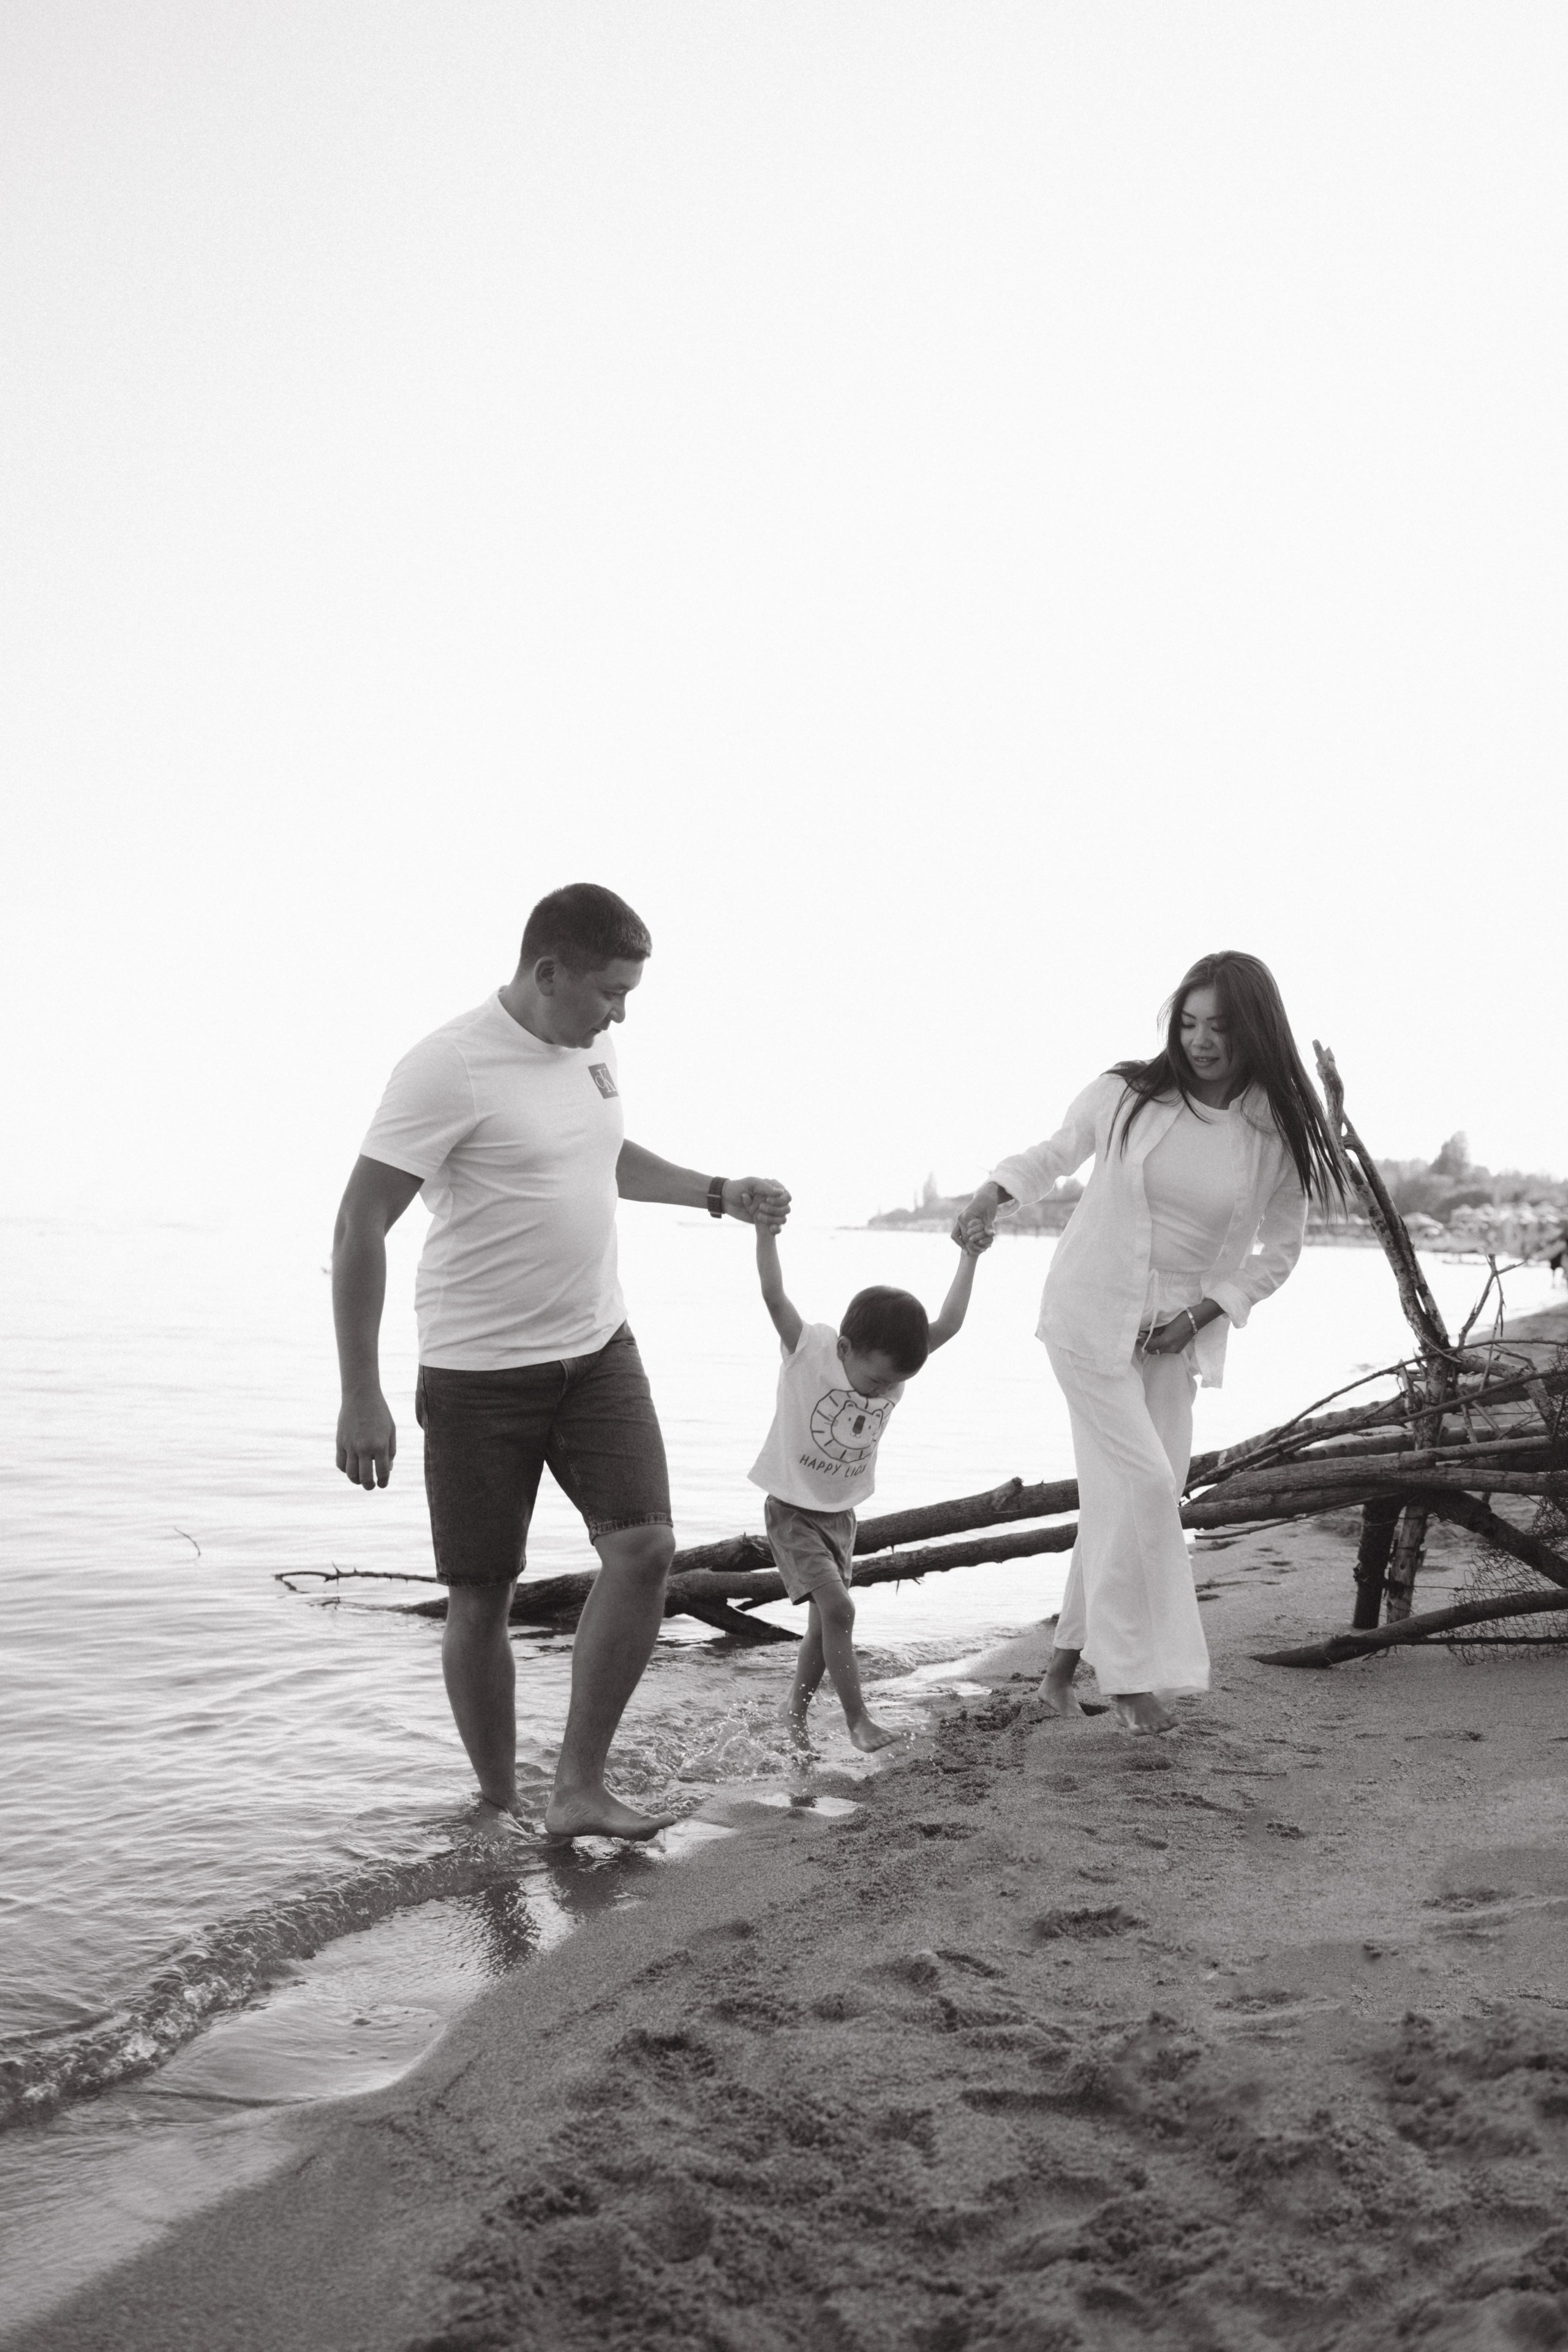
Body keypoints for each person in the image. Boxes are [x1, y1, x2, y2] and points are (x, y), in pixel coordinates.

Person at [332, 883, 790, 1841]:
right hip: (478, 1374)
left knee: (645, 1550)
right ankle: (498, 1807)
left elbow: (600, 1156)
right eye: (610, 992)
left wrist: (716, 1193)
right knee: (481, 1600)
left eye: (628, 994)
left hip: (598, 1349)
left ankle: (579, 1787)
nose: (620, 1014)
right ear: (548, 973)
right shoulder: (448, 1066)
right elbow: (360, 1222)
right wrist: (361, 1393)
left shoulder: (592, 1046)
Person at [955, 951, 1343, 1735]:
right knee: (1142, 1489)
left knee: (1126, 1498)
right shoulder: (1127, 1093)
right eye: (1189, 1023)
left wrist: (1202, 1315)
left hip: (1173, 1337)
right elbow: (1057, 1152)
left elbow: (1279, 1252)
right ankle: (1131, 1682)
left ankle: (1059, 1674)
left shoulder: (1271, 1131)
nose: (1200, 1041)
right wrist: (991, 1193)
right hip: (1088, 1316)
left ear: (1254, 1030)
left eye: (1219, 1027)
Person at [750, 1215, 989, 1751]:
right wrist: (765, 1232)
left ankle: (794, 1711)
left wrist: (969, 1257)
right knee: (840, 1610)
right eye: (878, 1380)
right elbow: (773, 1296)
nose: (884, 1392)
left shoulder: (894, 1364)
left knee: (824, 1624)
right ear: (845, 1348)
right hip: (793, 1511)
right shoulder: (809, 1351)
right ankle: (859, 1721)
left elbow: (949, 1324)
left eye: (896, 1384)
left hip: (841, 1514)